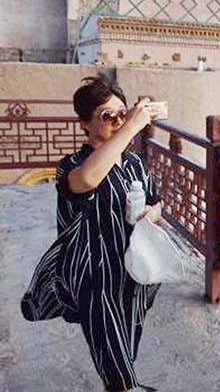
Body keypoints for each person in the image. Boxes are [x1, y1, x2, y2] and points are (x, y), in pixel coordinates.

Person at [21, 74, 163, 392]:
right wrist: (132, 127)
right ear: (85, 123)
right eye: (106, 115)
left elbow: (157, 203)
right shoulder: (71, 165)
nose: (117, 120)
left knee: (124, 349)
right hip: (95, 277)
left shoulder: (134, 164)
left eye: (122, 113)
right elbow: (86, 181)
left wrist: (152, 213)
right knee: (114, 363)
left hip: (135, 271)